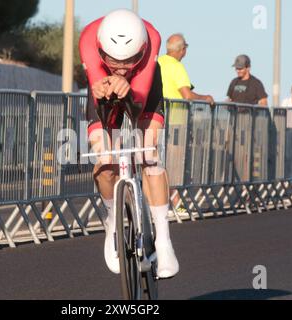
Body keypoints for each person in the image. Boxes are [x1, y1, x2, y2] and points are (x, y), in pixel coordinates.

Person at [79, 9, 179, 279]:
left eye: (129, 60)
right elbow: (98, 90)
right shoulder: (88, 38)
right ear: (101, 50)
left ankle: (163, 239)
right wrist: (103, 86)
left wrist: (126, 81)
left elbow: (140, 96)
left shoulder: (153, 39)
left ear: (142, 49)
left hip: (144, 83)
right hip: (101, 84)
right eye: (113, 60)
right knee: (104, 157)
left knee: (149, 153)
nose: (121, 66)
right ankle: (113, 219)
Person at [158, 33, 214, 214]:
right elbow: (187, 95)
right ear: (182, 50)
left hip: (157, 120)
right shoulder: (177, 67)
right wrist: (205, 98)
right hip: (175, 122)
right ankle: (170, 204)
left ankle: (172, 203)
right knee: (173, 165)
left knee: (159, 164)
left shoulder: (158, 63)